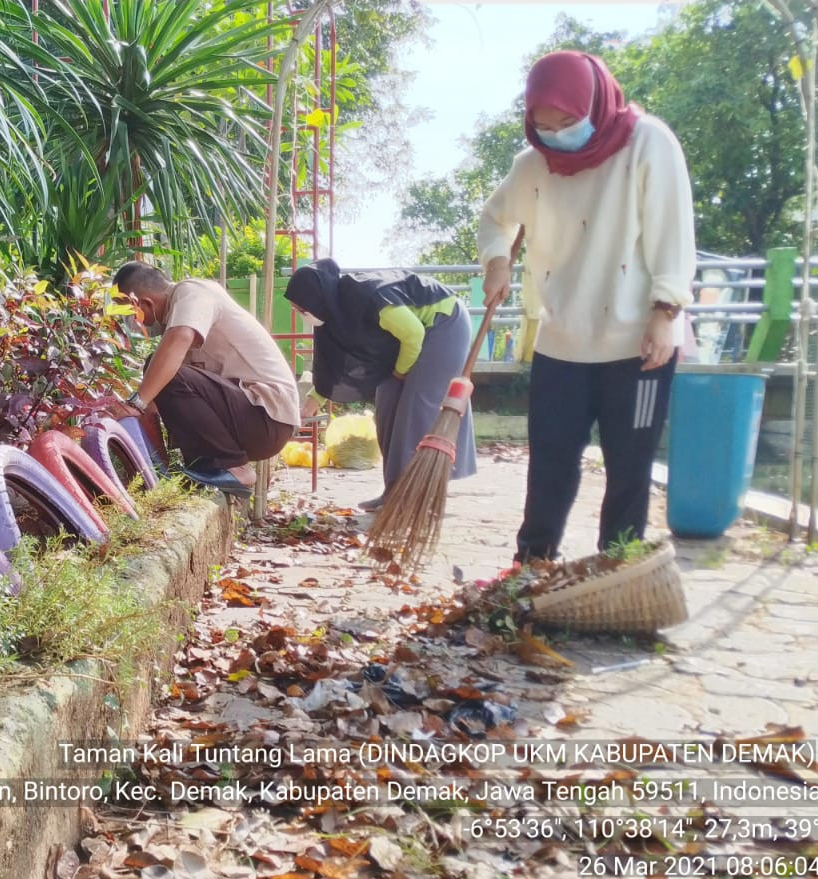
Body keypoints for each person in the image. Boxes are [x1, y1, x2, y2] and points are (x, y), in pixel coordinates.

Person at [478, 50, 694, 562]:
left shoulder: (647, 143)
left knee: (629, 463)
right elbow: (495, 218)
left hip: (639, 342)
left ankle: (618, 567)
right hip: (562, 341)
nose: (556, 134)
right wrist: (495, 261)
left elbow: (673, 231)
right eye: (543, 124)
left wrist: (665, 312)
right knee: (550, 460)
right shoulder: (533, 165)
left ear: (595, 104)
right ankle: (532, 563)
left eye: (568, 122)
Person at [285, 260, 477, 511]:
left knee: (417, 404)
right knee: (386, 405)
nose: (302, 315)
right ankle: (395, 488)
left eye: (301, 309)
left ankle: (418, 491)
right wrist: (306, 410)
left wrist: (399, 372)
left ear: (316, 299)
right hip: (408, 341)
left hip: (443, 324)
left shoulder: (367, 296)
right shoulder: (335, 316)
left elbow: (413, 334)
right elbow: (329, 370)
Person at [110, 262, 298, 496]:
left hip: (268, 416)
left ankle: (233, 467)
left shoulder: (193, 292)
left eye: (128, 313)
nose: (132, 323)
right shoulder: (176, 319)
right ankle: (210, 467)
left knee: (163, 370)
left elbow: (178, 340)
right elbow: (158, 407)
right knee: (159, 372)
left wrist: (135, 403)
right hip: (254, 420)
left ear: (144, 303)